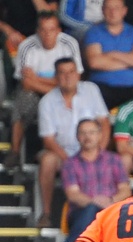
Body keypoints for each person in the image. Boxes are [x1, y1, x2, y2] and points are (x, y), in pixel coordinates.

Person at [37, 57, 111, 228]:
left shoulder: (91, 90)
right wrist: (71, 161)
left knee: (112, 161)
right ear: (56, 77)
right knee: (47, 160)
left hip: (93, 148)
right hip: (62, 153)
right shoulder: (47, 101)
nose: (67, 76)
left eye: (71, 72)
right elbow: (48, 140)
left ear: (78, 74)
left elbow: (104, 124)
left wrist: (100, 153)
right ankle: (46, 213)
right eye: (62, 73)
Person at [6, 11, 82, 172]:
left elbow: (75, 79)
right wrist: (57, 81)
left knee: (74, 97)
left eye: (51, 29)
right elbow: (26, 84)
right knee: (22, 101)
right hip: (39, 92)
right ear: (37, 31)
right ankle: (14, 151)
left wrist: (38, 79)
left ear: (58, 30)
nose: (47, 34)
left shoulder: (69, 44)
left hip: (63, 91)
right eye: (43, 30)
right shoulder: (27, 46)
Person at [61, 119, 131, 242]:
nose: (87, 137)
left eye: (92, 132)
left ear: (100, 135)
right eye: (83, 133)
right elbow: (73, 194)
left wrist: (109, 201)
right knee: (92, 210)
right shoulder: (70, 163)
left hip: (111, 209)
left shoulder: (114, 160)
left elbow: (125, 190)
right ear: (77, 137)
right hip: (81, 211)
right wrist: (94, 202)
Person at [84, 0, 133, 110]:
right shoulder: (94, 32)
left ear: (124, 11)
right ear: (102, 10)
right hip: (101, 87)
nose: (112, 12)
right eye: (109, 8)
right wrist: (131, 63)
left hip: (132, 88)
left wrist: (113, 54)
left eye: (116, 8)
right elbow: (94, 62)